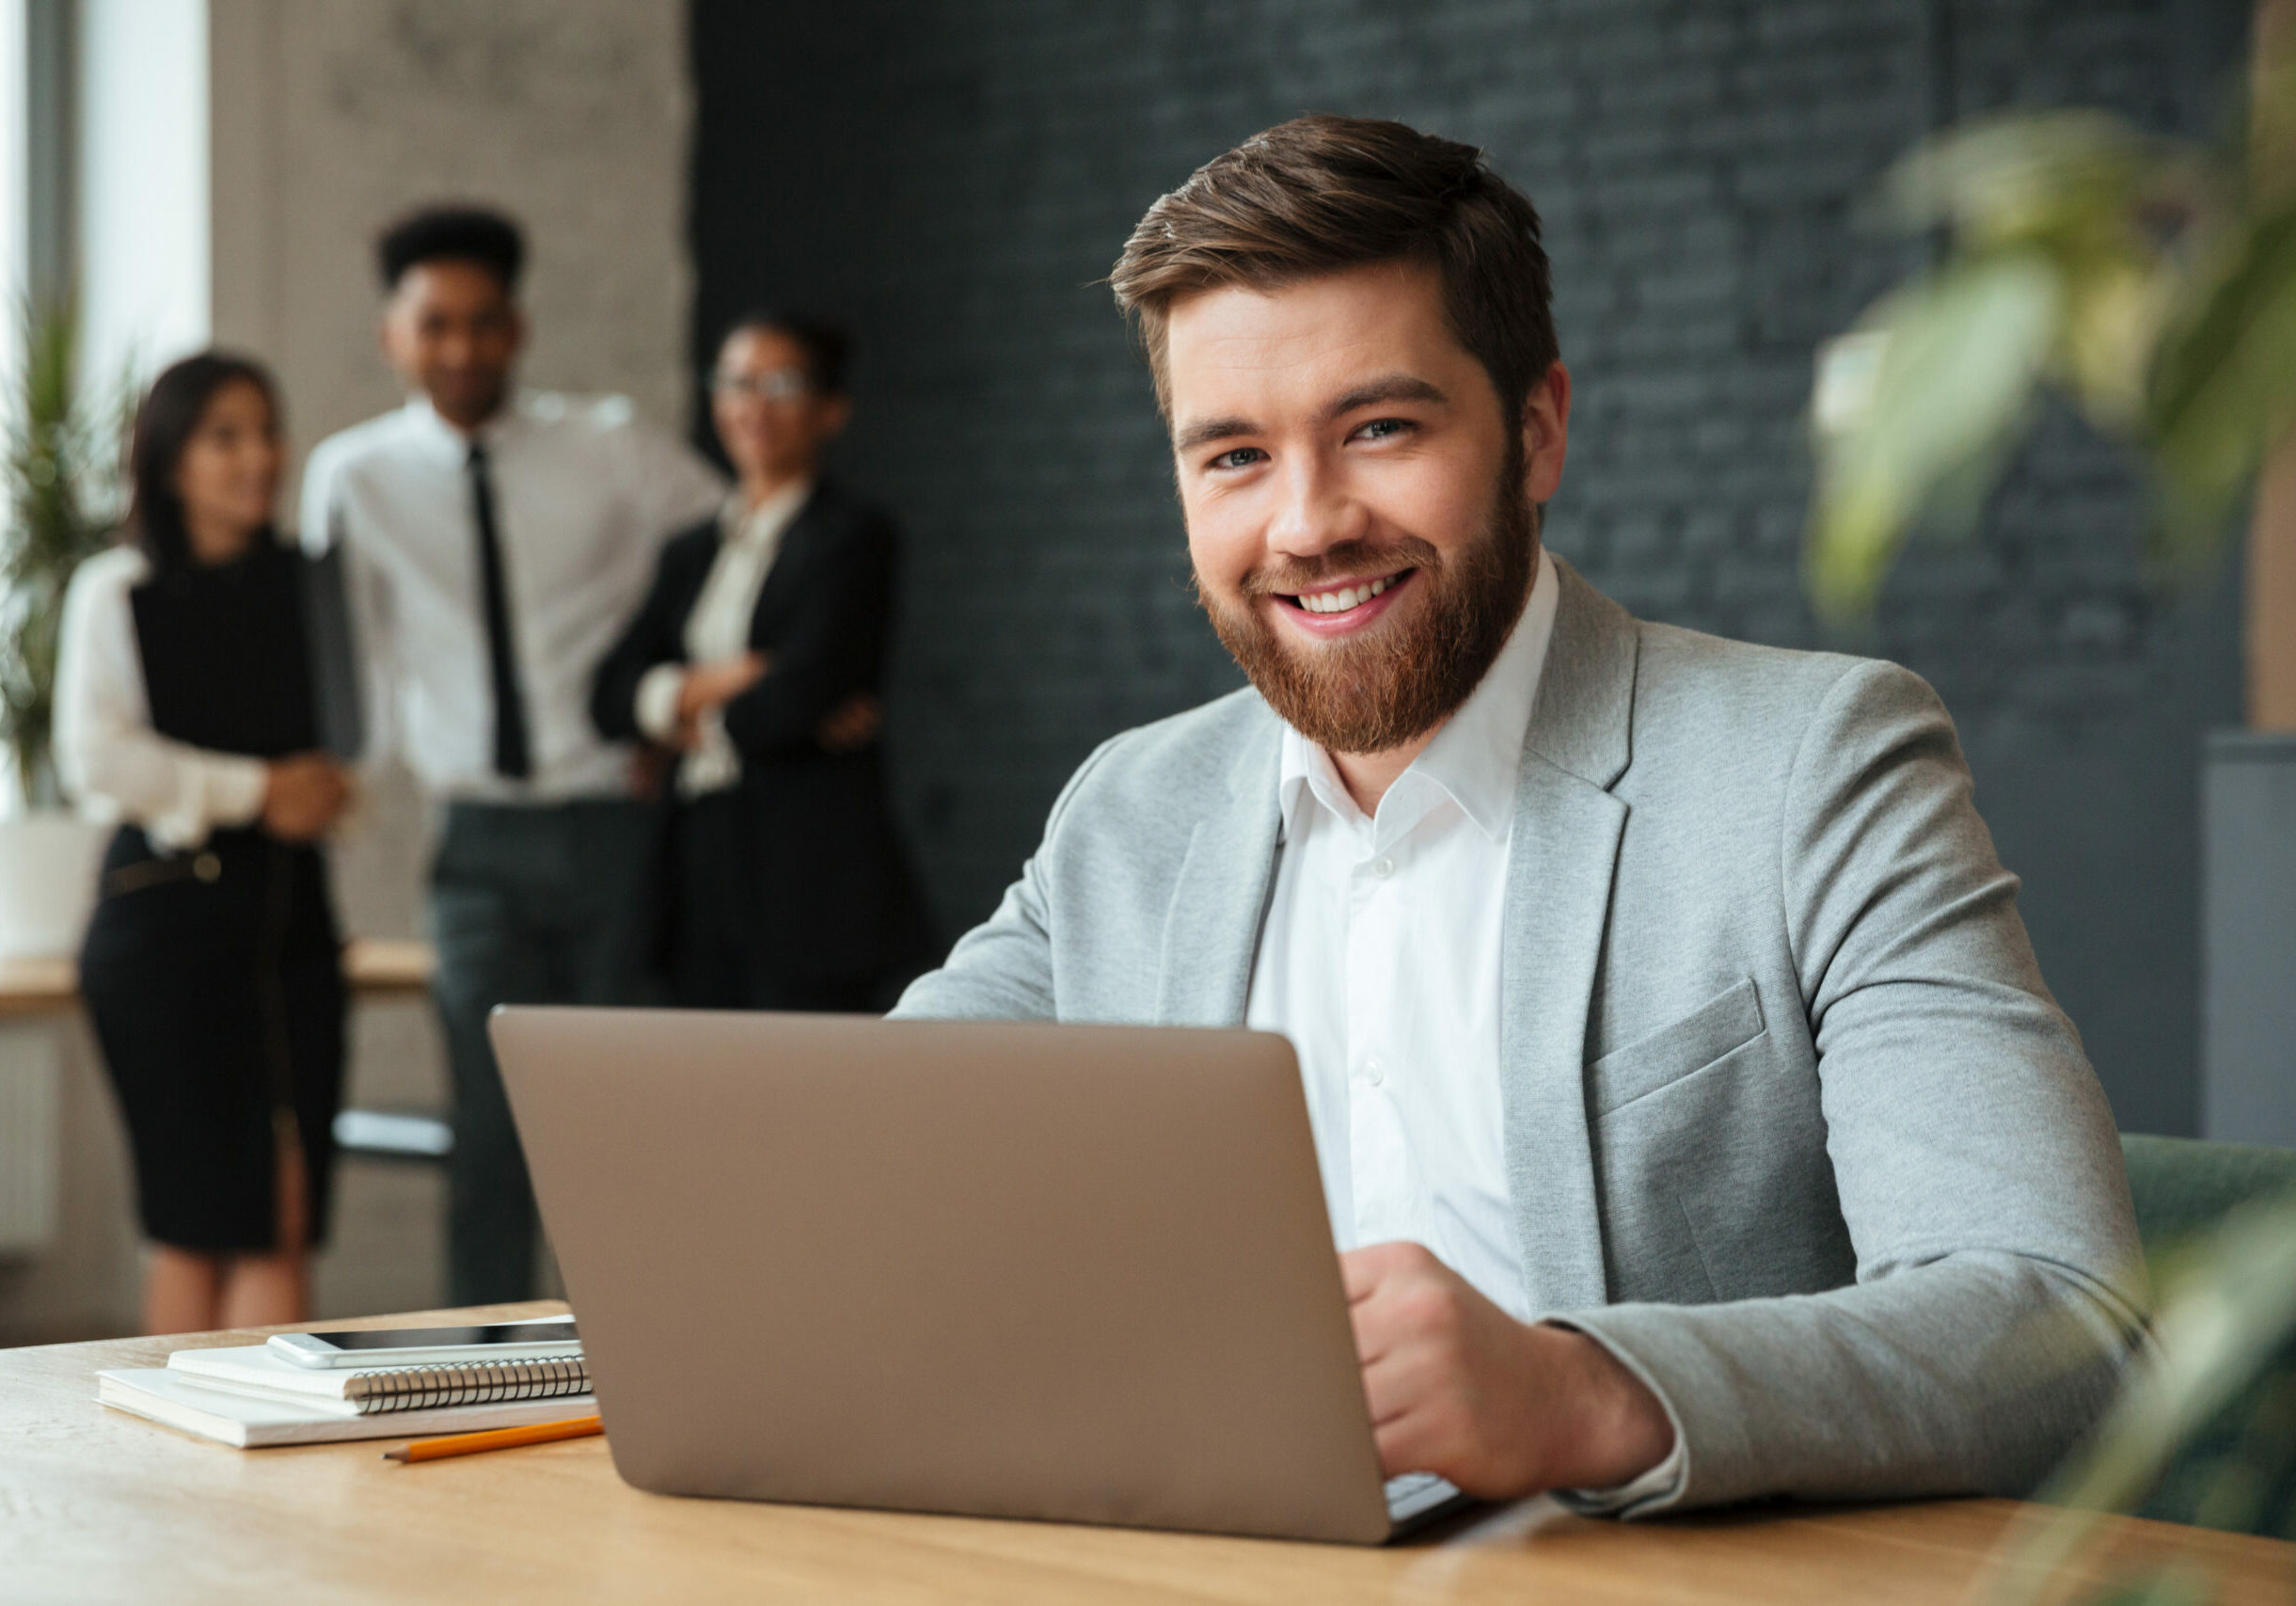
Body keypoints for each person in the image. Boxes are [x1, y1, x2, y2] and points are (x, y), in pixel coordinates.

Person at [893, 116, 2148, 1514]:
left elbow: (2061, 1324)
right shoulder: (1129, 811)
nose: (1307, 523)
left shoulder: (1814, 766)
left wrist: (1575, 1392)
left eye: (1378, 428)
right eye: (1234, 456)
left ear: (1535, 430)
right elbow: (856, 1161)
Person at [299, 206, 726, 1306]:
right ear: (393, 334)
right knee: (485, 1139)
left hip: (611, 826)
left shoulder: (611, 446)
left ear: (519, 328)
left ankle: (649, 1365)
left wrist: (674, 709)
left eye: (484, 324)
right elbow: (344, 663)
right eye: (435, 324)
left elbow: (735, 552)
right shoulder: (353, 478)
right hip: (473, 839)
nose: (461, 349)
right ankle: (477, 1380)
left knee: (622, 1128)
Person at [56, 353, 352, 1334]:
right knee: (196, 1217)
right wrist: (255, 789)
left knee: (284, 1212)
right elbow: (96, 754)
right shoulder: (119, 586)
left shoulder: (305, 585)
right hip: (167, 924)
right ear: (170, 458)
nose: (258, 456)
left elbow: (355, 735)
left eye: (267, 431)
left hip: (291, 921)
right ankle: (171, 1475)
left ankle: (271, 1474)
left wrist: (323, 788)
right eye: (225, 435)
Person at [592, 313, 930, 1010]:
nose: (754, 404)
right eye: (737, 382)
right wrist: (720, 684)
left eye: (782, 384)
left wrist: (677, 721)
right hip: (696, 865)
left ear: (830, 410)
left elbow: (791, 701)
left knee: (810, 1100)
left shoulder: (853, 538)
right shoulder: (688, 551)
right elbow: (603, 696)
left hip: (810, 874)